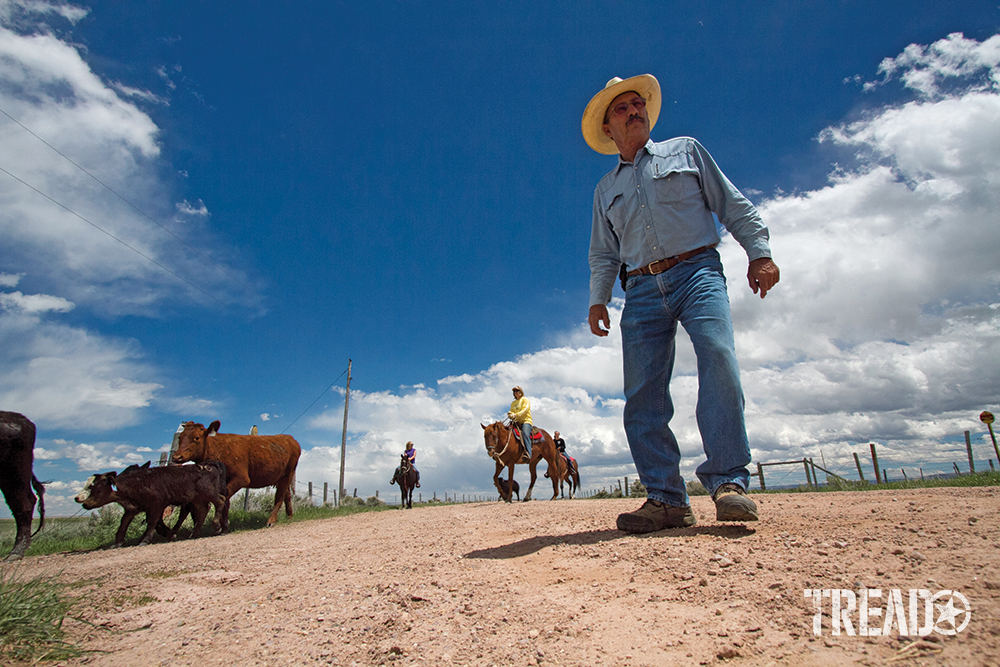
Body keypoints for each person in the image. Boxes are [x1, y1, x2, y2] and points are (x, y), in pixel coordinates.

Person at [582, 74, 780, 533]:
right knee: (643, 393)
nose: (634, 111)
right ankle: (666, 499)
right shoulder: (604, 190)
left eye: (638, 104)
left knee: (718, 357)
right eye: (622, 108)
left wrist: (760, 252)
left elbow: (731, 204)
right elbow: (603, 253)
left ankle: (728, 482)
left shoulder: (685, 151)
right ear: (609, 130)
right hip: (642, 291)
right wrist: (598, 300)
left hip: (698, 273)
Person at [507, 386, 533, 463]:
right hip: (516, 422)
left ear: (521, 392)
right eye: (514, 391)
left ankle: (528, 453)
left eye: (517, 391)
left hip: (526, 421)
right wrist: (510, 414)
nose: (515, 392)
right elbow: (511, 411)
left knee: (525, 434)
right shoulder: (513, 403)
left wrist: (516, 415)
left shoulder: (525, 400)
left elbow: (525, 410)